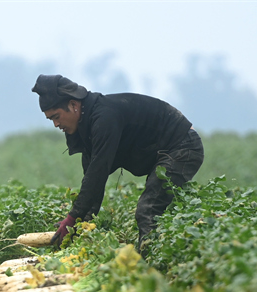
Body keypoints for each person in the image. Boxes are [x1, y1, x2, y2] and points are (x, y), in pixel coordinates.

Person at [31, 74, 204, 251]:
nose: (56, 124)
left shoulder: (104, 117)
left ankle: (151, 262)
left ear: (74, 105)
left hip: (183, 146)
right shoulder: (86, 127)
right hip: (165, 149)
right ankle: (163, 251)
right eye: (51, 119)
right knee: (156, 208)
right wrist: (82, 222)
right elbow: (93, 183)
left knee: (148, 210)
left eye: (56, 116)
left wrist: (73, 216)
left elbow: (99, 170)